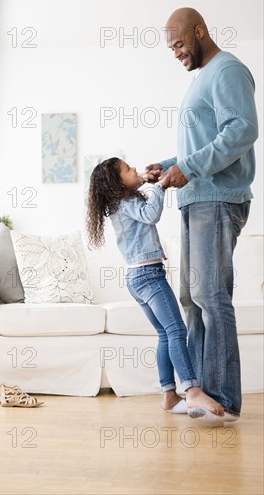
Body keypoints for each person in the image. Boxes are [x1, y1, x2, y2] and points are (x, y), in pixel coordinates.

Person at [144, 7, 258, 424]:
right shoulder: (202, 79)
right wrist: (169, 164)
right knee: (192, 299)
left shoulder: (228, 70)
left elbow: (242, 130)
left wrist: (187, 169)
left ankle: (223, 397)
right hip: (195, 197)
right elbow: (203, 145)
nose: (175, 52)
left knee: (211, 295)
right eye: (170, 47)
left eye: (178, 43)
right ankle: (198, 391)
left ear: (200, 31)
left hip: (217, 197)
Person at [86, 156, 225, 418]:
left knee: (165, 334)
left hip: (137, 278)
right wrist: (159, 187)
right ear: (117, 182)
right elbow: (150, 214)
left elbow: (142, 203)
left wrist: (149, 181)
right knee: (176, 329)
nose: (135, 169)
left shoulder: (121, 201)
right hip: (148, 275)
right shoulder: (124, 201)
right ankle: (192, 391)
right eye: (128, 169)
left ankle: (169, 396)